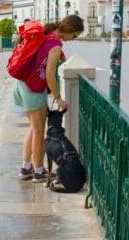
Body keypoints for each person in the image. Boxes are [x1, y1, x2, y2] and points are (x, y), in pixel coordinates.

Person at [14, 14, 84, 182]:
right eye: (74, 36)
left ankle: (26, 168)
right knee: (38, 131)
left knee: (33, 128)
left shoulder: (44, 34)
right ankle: (38, 172)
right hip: (33, 88)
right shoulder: (55, 43)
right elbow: (50, 75)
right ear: (70, 30)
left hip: (22, 84)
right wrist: (59, 98)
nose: (72, 39)